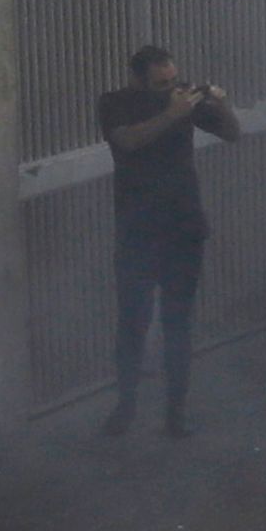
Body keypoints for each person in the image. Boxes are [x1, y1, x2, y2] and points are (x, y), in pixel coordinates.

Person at [97, 46, 240, 436]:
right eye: (160, 83)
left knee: (178, 324)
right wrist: (171, 114)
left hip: (183, 228)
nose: (168, 89)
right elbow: (127, 141)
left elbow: (232, 133)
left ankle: (174, 414)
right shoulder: (115, 104)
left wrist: (220, 104)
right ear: (136, 78)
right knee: (133, 322)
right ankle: (126, 406)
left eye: (172, 82)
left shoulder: (184, 103)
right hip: (137, 232)